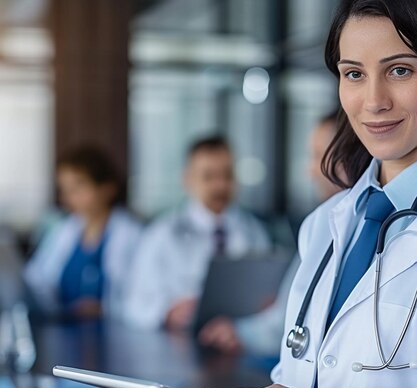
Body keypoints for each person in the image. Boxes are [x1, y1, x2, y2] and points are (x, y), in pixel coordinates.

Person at [147, 1, 417, 388]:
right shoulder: (327, 226)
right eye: (353, 73)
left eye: (400, 70)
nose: (373, 99)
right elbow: (301, 386)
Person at [199, 112, 343, 355]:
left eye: (318, 156)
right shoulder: (322, 225)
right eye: (209, 177)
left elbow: (287, 320)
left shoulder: (329, 226)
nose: (310, 171)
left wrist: (248, 327)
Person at [123, 136, 271, 330]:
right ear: (188, 180)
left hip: (237, 341)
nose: (220, 186)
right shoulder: (161, 235)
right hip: (179, 345)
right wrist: (168, 311)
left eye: (227, 175)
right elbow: (133, 304)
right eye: (208, 177)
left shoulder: (254, 232)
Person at [24, 146, 142, 318]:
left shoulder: (133, 234)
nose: (70, 197)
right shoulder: (63, 231)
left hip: (114, 331)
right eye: (65, 190)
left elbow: (143, 295)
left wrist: (107, 308)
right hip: (64, 327)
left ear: (107, 188)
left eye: (78, 187)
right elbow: (36, 280)